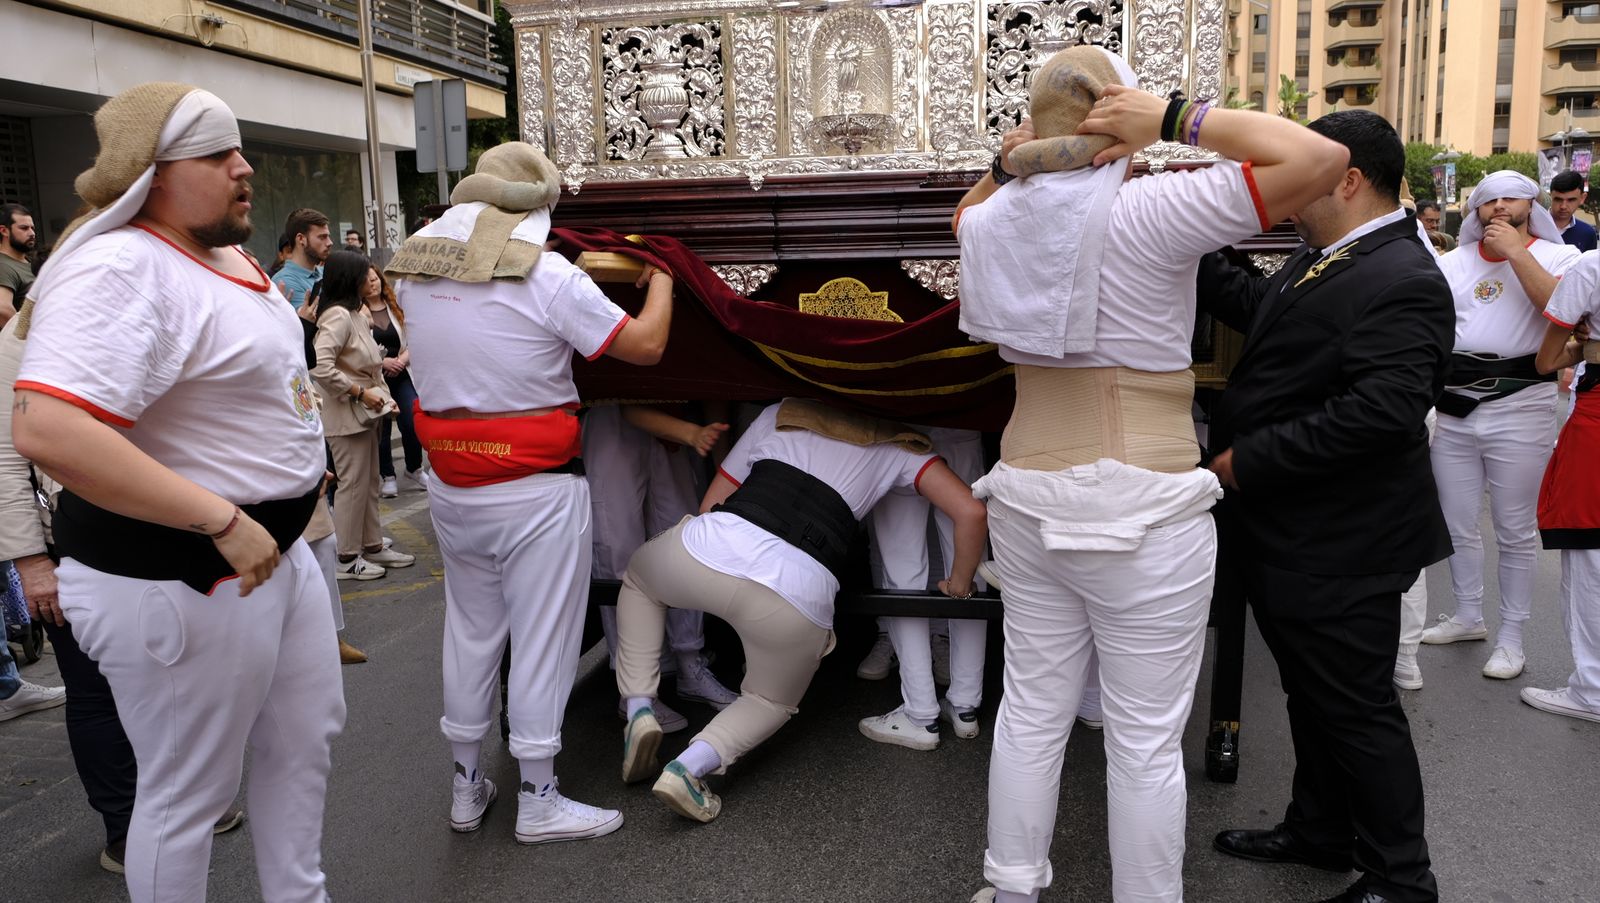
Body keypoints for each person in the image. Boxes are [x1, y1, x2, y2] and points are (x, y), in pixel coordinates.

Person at [953, 46, 1347, 903]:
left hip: (1025, 495)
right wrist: (1176, 119)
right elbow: (1322, 159)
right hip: (1144, 503)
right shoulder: (1159, 208)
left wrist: (1011, 160)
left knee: (1029, 710)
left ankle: (1011, 885)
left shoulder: (996, 219)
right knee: (1141, 741)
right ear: (1118, 112)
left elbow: (965, 214)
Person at [11, 82, 345, 903]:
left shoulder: (223, 251)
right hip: (178, 569)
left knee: (302, 744)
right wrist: (223, 517)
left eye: (240, 150)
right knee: (185, 794)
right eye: (218, 154)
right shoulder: (120, 264)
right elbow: (47, 428)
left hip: (273, 555)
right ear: (151, 173)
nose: (245, 167)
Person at [389, 140, 673, 844]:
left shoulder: (415, 272)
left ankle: (466, 787)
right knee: (541, 637)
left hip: (453, 482)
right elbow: (644, 347)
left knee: (470, 631)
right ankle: (539, 797)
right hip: (535, 490)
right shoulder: (548, 276)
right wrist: (665, 274)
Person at [1199, 110, 1451, 903]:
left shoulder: (1402, 275)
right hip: (1297, 529)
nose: (1288, 185)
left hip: (1345, 535)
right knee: (1312, 694)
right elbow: (1266, 314)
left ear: (1347, 178)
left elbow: (1384, 409)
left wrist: (1254, 459)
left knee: (1355, 708)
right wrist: (1186, 236)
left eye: (1304, 169)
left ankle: (1400, 878)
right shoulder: (1332, 256)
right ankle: (1320, 829)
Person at [615, 399, 988, 823]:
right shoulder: (902, 444)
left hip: (715, 545)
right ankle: (689, 767)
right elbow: (972, 511)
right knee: (768, 700)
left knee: (640, 582)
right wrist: (958, 583)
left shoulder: (779, 412)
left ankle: (641, 707)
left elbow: (710, 504)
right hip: (799, 589)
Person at [1421, 171, 1582, 681]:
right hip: (1453, 406)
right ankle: (1468, 614)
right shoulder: (1452, 262)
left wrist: (1518, 253)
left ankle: (1512, 637)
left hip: (1520, 403)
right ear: (1475, 209)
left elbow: (1566, 314)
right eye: (1489, 200)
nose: (1499, 207)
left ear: (1529, 206)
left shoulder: (1561, 259)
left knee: (1514, 530)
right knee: (1457, 520)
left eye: (1511, 198)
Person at [586, 403, 738, 733]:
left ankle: (689, 663)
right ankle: (633, 691)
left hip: (671, 408)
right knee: (618, 550)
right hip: (610, 408)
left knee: (682, 537)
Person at [859, 425, 989, 749]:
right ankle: (965, 707)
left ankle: (920, 714)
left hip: (901, 425)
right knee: (971, 560)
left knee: (902, 570)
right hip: (959, 415)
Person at [311, 249, 416, 580]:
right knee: (353, 486)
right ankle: (345, 557)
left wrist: (383, 398)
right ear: (349, 279)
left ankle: (371, 545)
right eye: (363, 275)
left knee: (368, 483)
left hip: (367, 414)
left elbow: (369, 367)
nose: (370, 281)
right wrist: (360, 392)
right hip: (347, 417)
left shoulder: (356, 314)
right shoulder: (338, 316)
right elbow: (320, 365)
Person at [1528, 249, 1600, 724]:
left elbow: (1547, 359)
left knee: (1591, 554)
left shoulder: (1593, 265)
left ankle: (1592, 689)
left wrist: (1582, 346)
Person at [361, 263, 426, 497]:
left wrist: (401, 360)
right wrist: (383, 362)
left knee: (411, 419)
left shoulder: (396, 306)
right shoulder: (359, 310)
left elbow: (414, 339)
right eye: (367, 280)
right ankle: (388, 476)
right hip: (376, 377)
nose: (373, 283)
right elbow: (359, 348)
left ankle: (414, 468)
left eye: (375, 278)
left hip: (401, 373)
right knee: (383, 428)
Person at [275, 207, 331, 309]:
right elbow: (320, 322)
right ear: (301, 239)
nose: (329, 243)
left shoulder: (326, 272)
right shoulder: (285, 281)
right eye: (322, 237)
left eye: (328, 236)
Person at [0, 202, 36, 324]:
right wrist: (25, 338)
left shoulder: (30, 261)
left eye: (32, 228)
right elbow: (2, 309)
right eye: (24, 228)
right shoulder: (4, 266)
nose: (32, 233)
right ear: (4, 231)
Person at [1549, 171, 1597, 253]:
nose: (1563, 206)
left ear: (1582, 198)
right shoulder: (1531, 226)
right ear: (1550, 196)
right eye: (1558, 199)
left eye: (1571, 200)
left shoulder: (1587, 234)